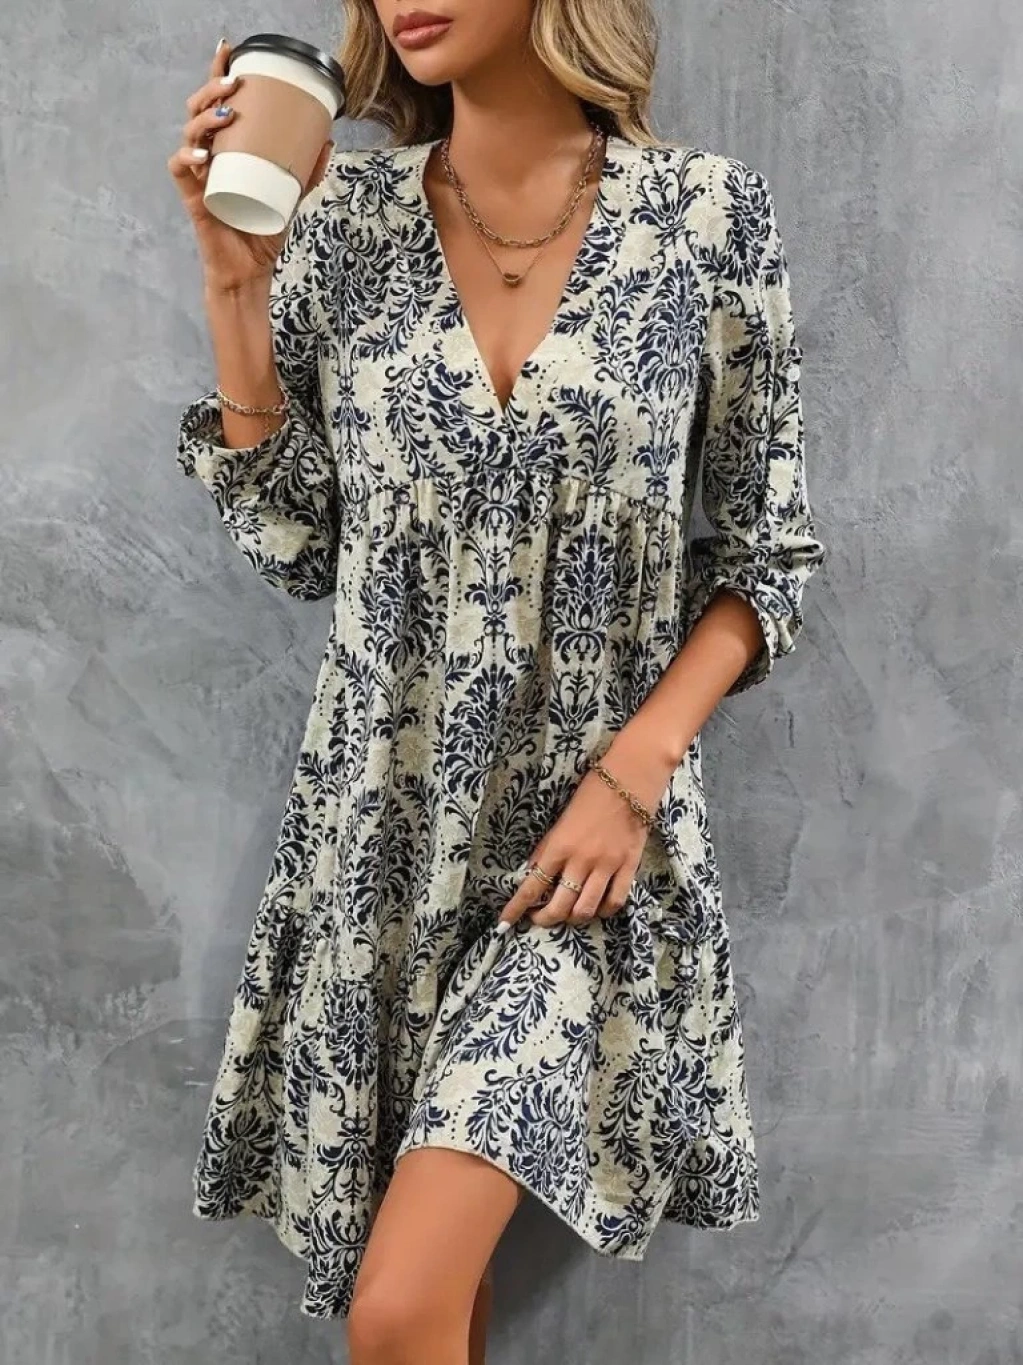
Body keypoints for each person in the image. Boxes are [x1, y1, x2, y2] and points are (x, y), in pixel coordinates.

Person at [168, 1, 827, 1359]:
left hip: (585, 864)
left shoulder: (706, 217)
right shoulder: (342, 223)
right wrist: (237, 286)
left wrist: (635, 772)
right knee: (434, 1312)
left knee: (399, 1308)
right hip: (381, 844)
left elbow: (769, 557)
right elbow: (299, 543)